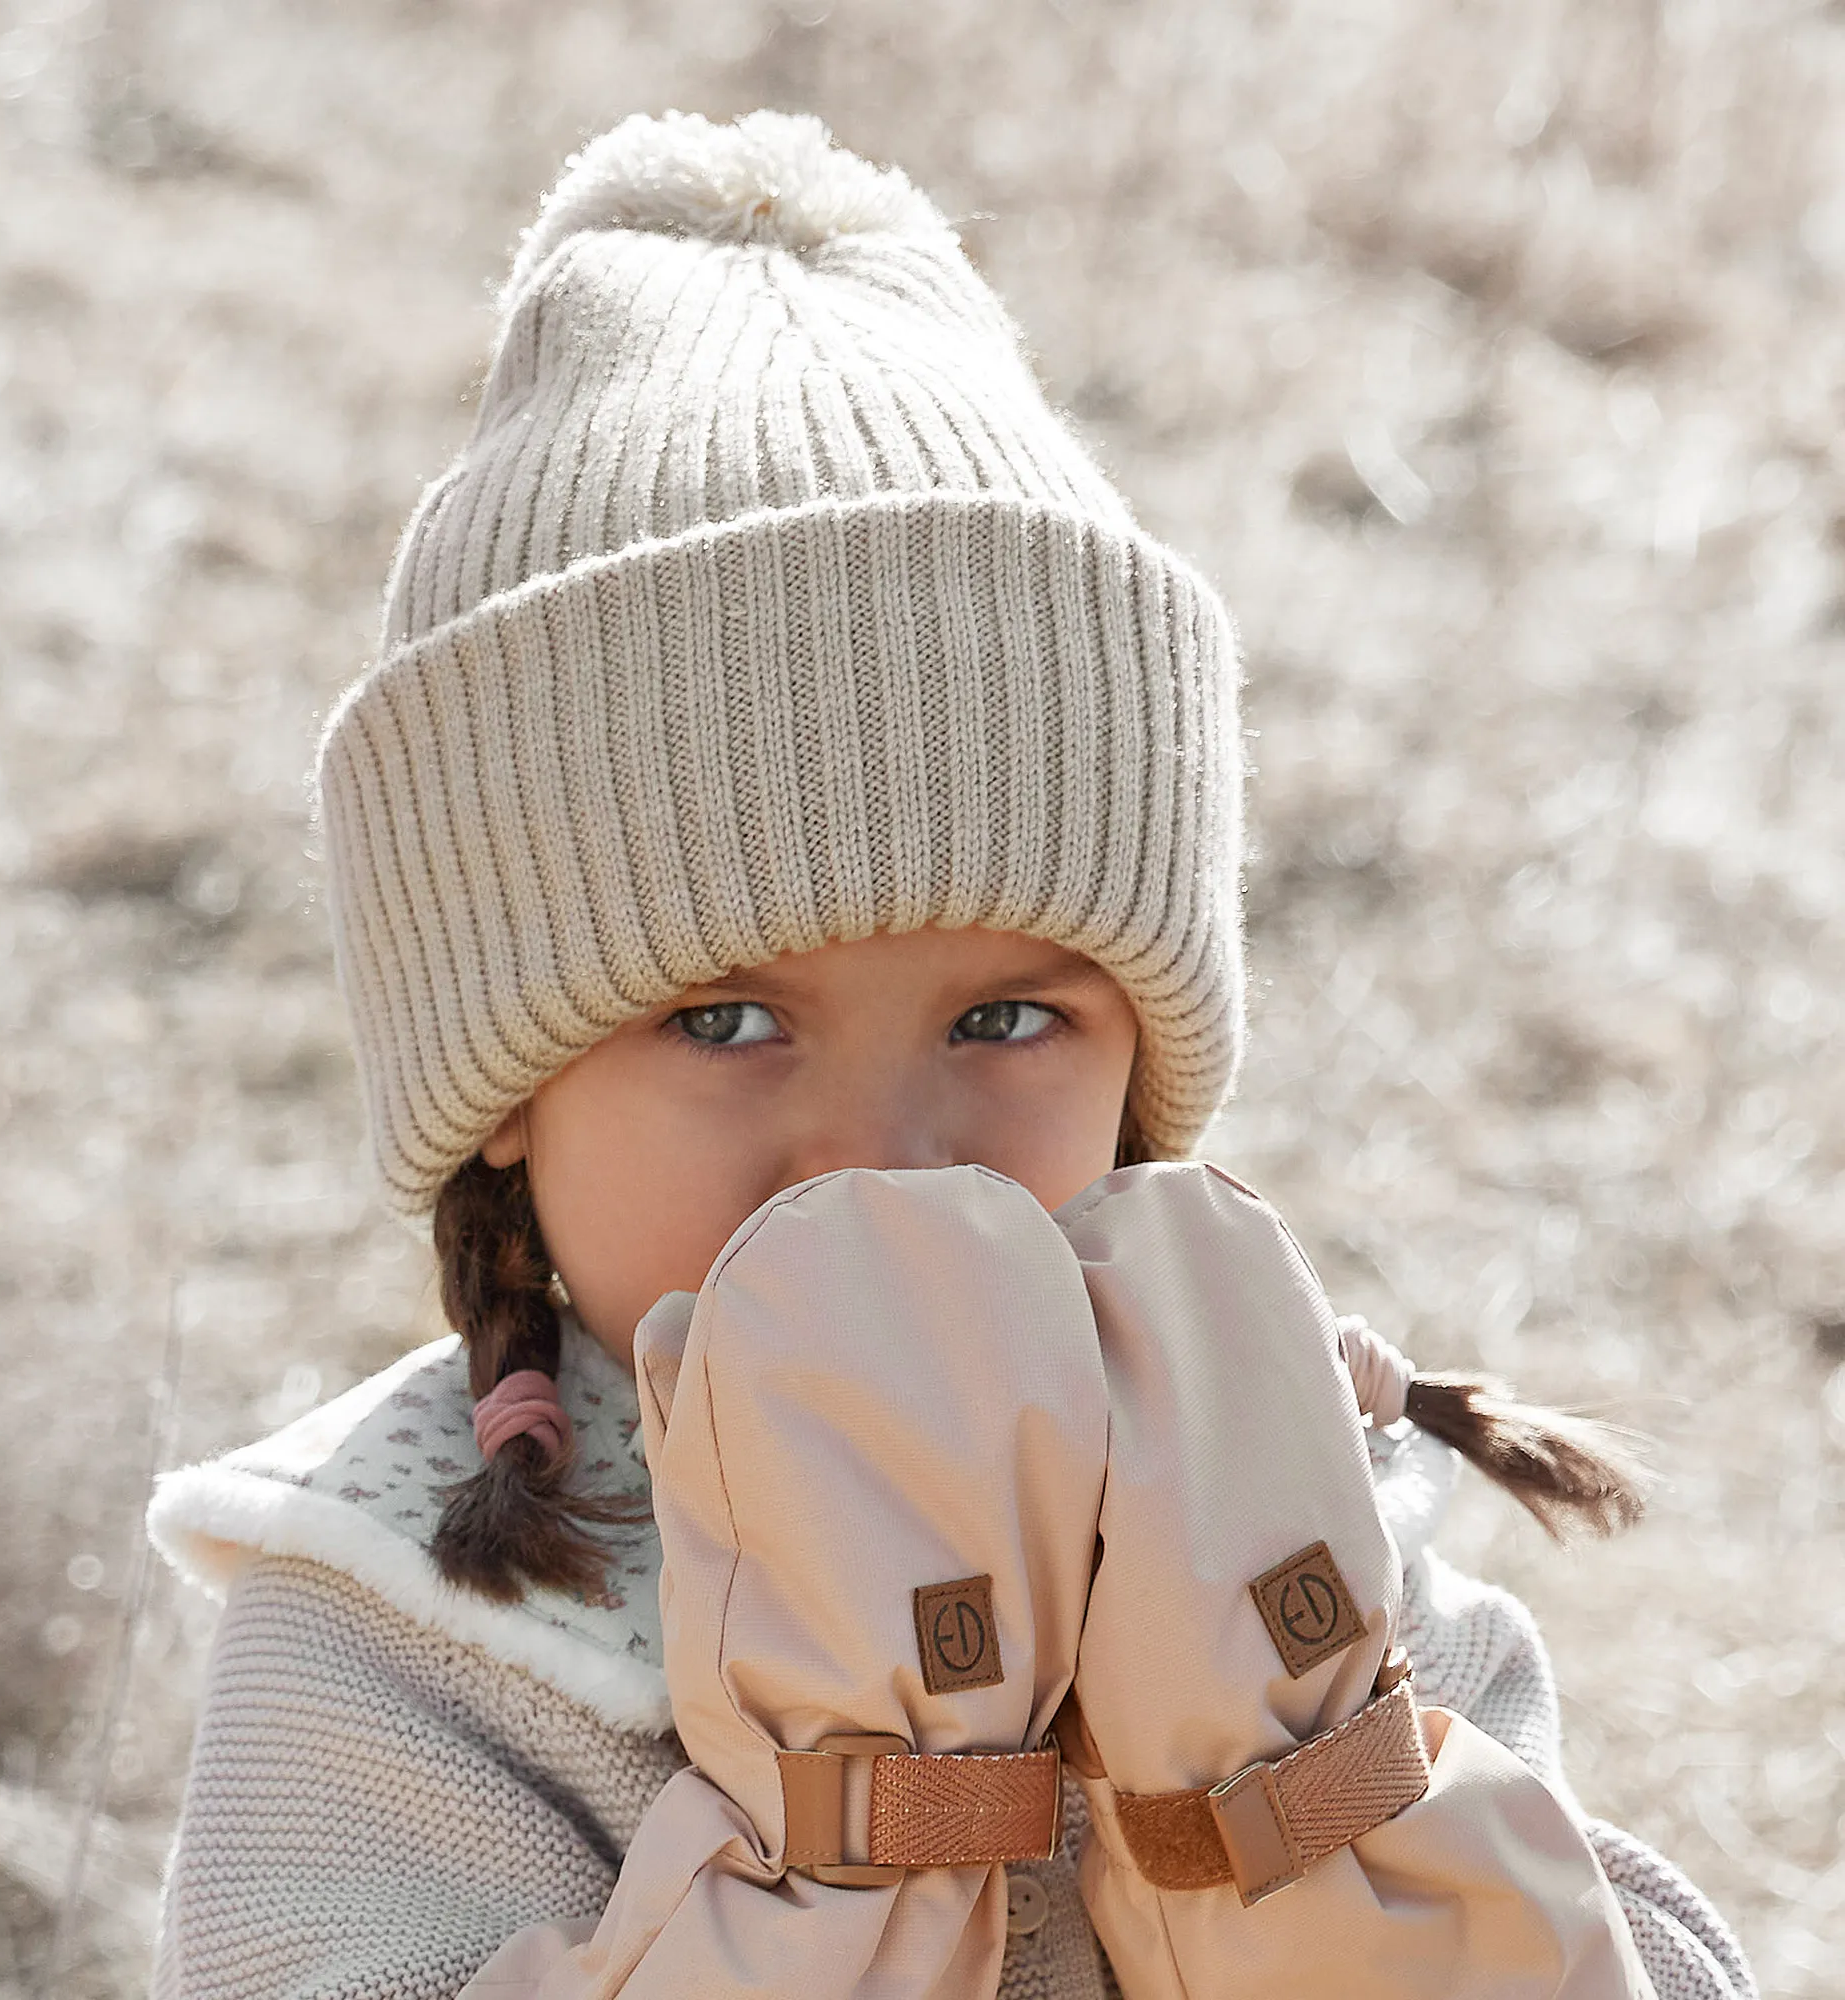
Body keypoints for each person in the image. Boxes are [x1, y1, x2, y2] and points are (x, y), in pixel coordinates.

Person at [145, 110, 1753, 2000]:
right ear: (504, 1089)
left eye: (1005, 1020)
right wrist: (852, 1834)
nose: (883, 1152)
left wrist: (1295, 1786)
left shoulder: (1283, 1511)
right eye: (725, 1019)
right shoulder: (422, 1624)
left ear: (1143, 1073)